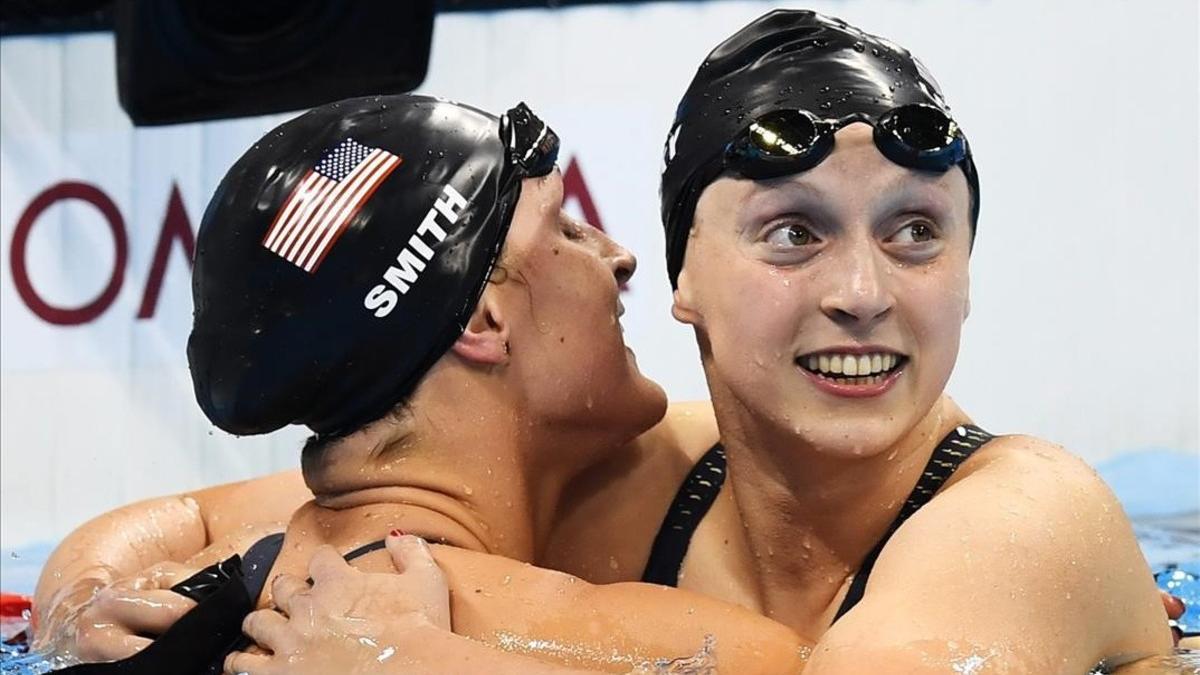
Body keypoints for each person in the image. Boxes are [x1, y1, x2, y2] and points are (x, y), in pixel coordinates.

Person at [33, 10, 1179, 674]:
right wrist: (80, 598)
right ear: (688, 275)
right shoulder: (612, 493)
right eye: (794, 235)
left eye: (918, 235)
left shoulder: (1031, 518)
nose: (863, 292)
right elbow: (217, 521)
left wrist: (437, 668)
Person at [36, 94, 806, 674]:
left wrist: (72, 602)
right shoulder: (445, 607)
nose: (618, 256)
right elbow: (791, 662)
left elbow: (166, 516)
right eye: (566, 230)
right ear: (483, 323)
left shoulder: (252, 558)